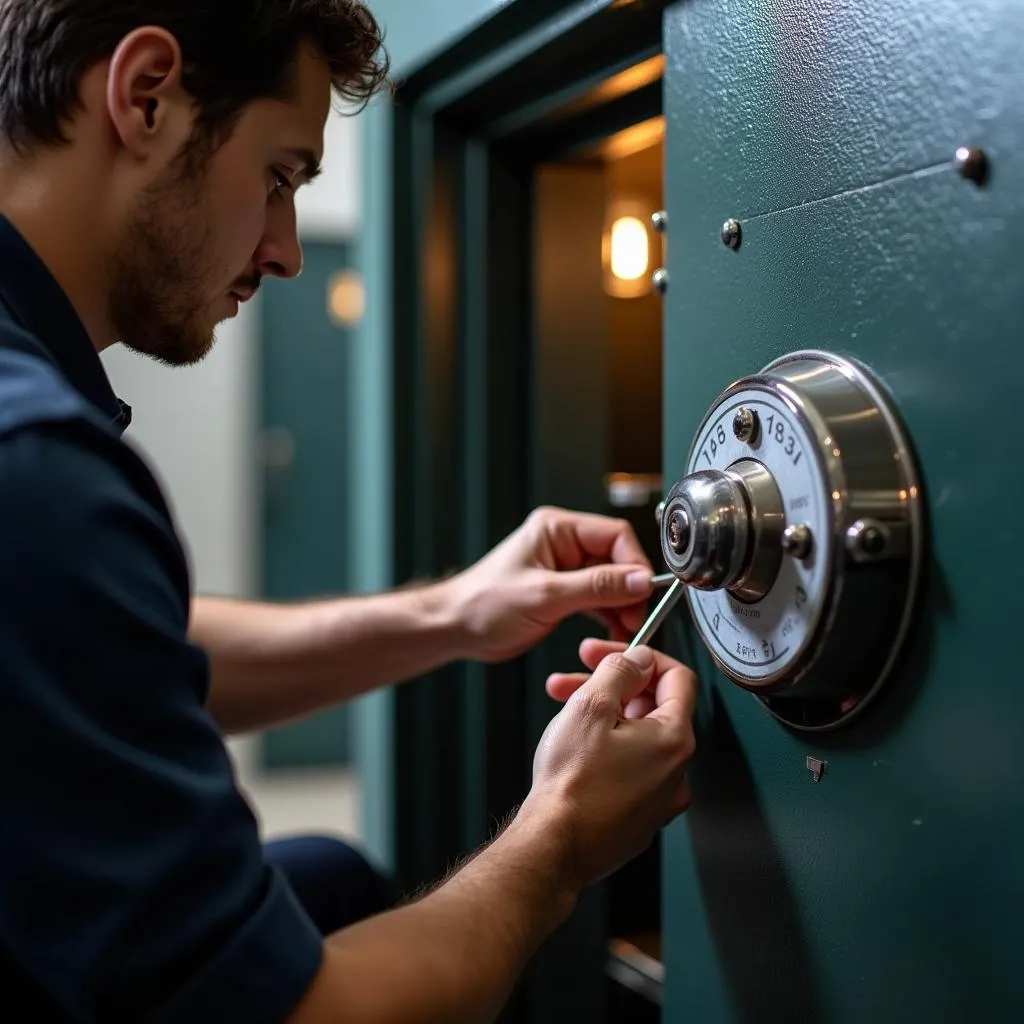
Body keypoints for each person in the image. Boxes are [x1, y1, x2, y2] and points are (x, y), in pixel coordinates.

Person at [0, 2, 698, 1021]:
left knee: (326, 876)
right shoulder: (34, 471)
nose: (284, 251)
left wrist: (454, 611)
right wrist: (559, 835)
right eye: (280, 177)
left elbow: (107, 648)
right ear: (144, 94)